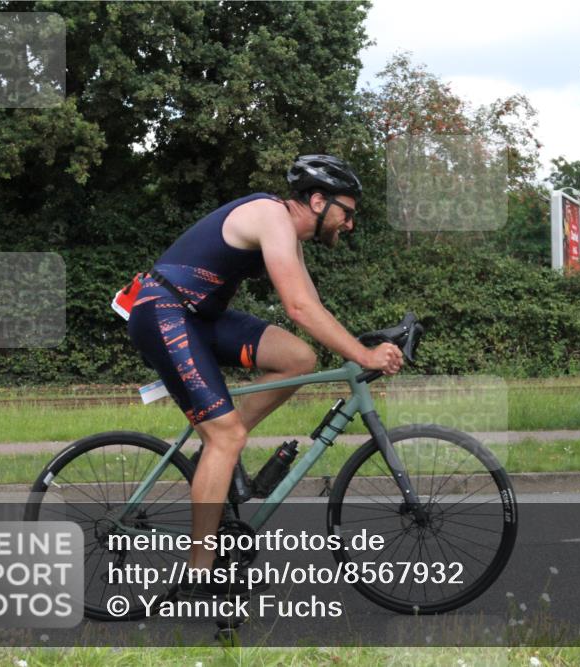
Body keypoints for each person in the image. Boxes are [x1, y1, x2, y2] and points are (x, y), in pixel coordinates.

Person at [125, 155, 403, 591]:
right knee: (227, 436)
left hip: (197, 315)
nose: (350, 224)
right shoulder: (272, 216)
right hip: (164, 311)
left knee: (298, 358)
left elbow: (312, 306)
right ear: (318, 201)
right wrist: (365, 357)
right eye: (347, 213)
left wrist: (357, 345)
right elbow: (298, 308)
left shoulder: (287, 232)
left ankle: (215, 453)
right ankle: (200, 572)